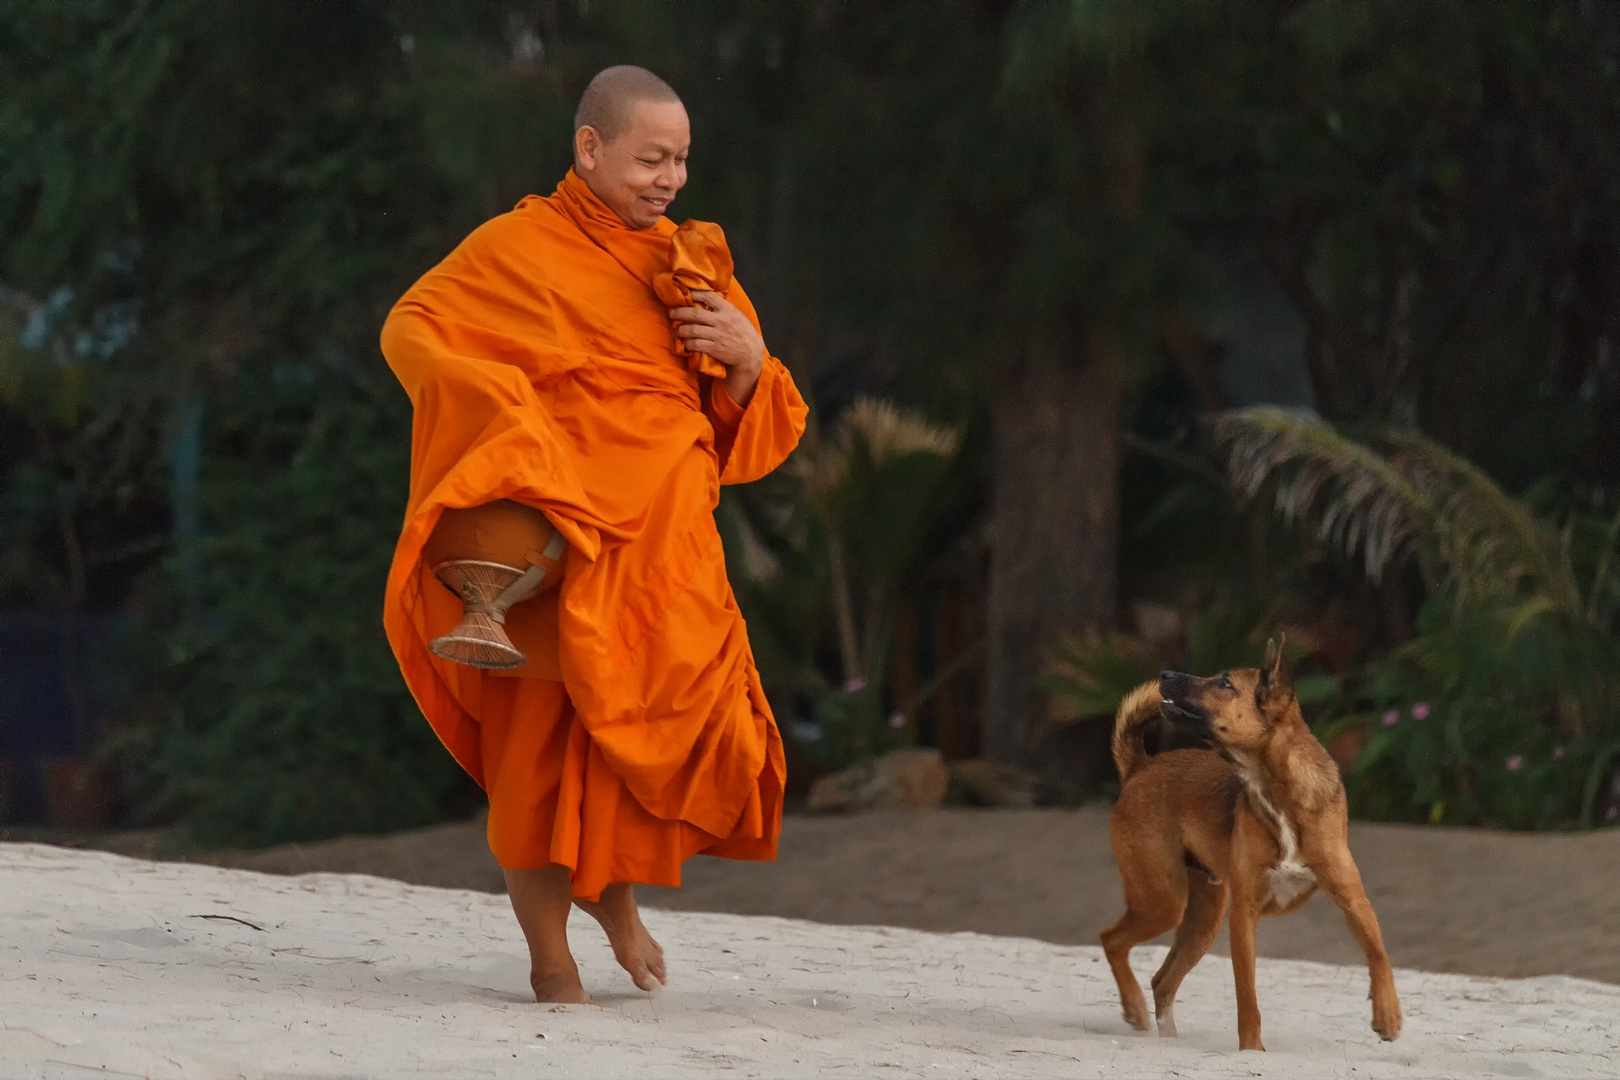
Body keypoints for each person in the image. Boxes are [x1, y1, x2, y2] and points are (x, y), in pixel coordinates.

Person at [379, 65, 808, 1003]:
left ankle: (617, 914)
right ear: (589, 147)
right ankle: (551, 962)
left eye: (682, 159)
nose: (671, 178)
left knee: (626, 754)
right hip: (551, 535)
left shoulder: (694, 264)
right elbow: (410, 327)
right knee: (536, 760)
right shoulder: (517, 248)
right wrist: (490, 405)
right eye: (651, 157)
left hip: (662, 549)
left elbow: (752, 434)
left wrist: (747, 362)